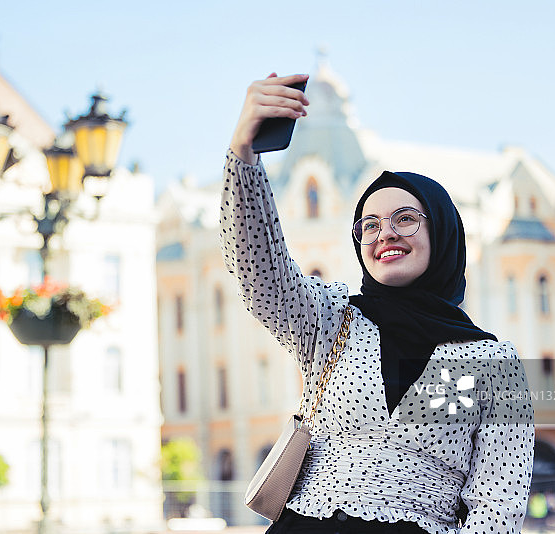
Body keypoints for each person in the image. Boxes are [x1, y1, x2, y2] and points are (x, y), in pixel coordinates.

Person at [221, 73, 534, 534]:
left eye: (405, 219)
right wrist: (244, 155)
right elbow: (257, 270)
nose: (385, 233)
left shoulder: (493, 362)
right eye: (369, 225)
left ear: (442, 232)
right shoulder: (333, 320)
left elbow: (498, 504)